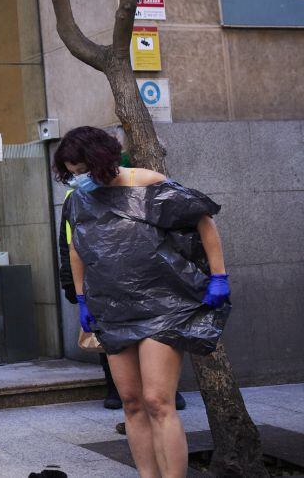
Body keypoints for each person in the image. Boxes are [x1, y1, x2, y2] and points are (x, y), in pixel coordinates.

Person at [54, 126, 231, 478]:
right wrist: (83, 299)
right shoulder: (78, 199)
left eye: (82, 171)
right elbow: (77, 247)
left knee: (157, 400)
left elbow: (203, 221)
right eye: (72, 173)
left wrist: (219, 276)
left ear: (100, 159)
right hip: (112, 307)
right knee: (132, 403)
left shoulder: (148, 183)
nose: (78, 179)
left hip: (162, 306)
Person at [58, 184, 187, 412]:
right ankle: (116, 388)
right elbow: (68, 245)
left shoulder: (138, 182)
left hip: (144, 276)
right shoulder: (75, 196)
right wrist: (72, 286)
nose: (78, 176)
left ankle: (164, 389)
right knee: (108, 337)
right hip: (97, 278)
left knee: (152, 334)